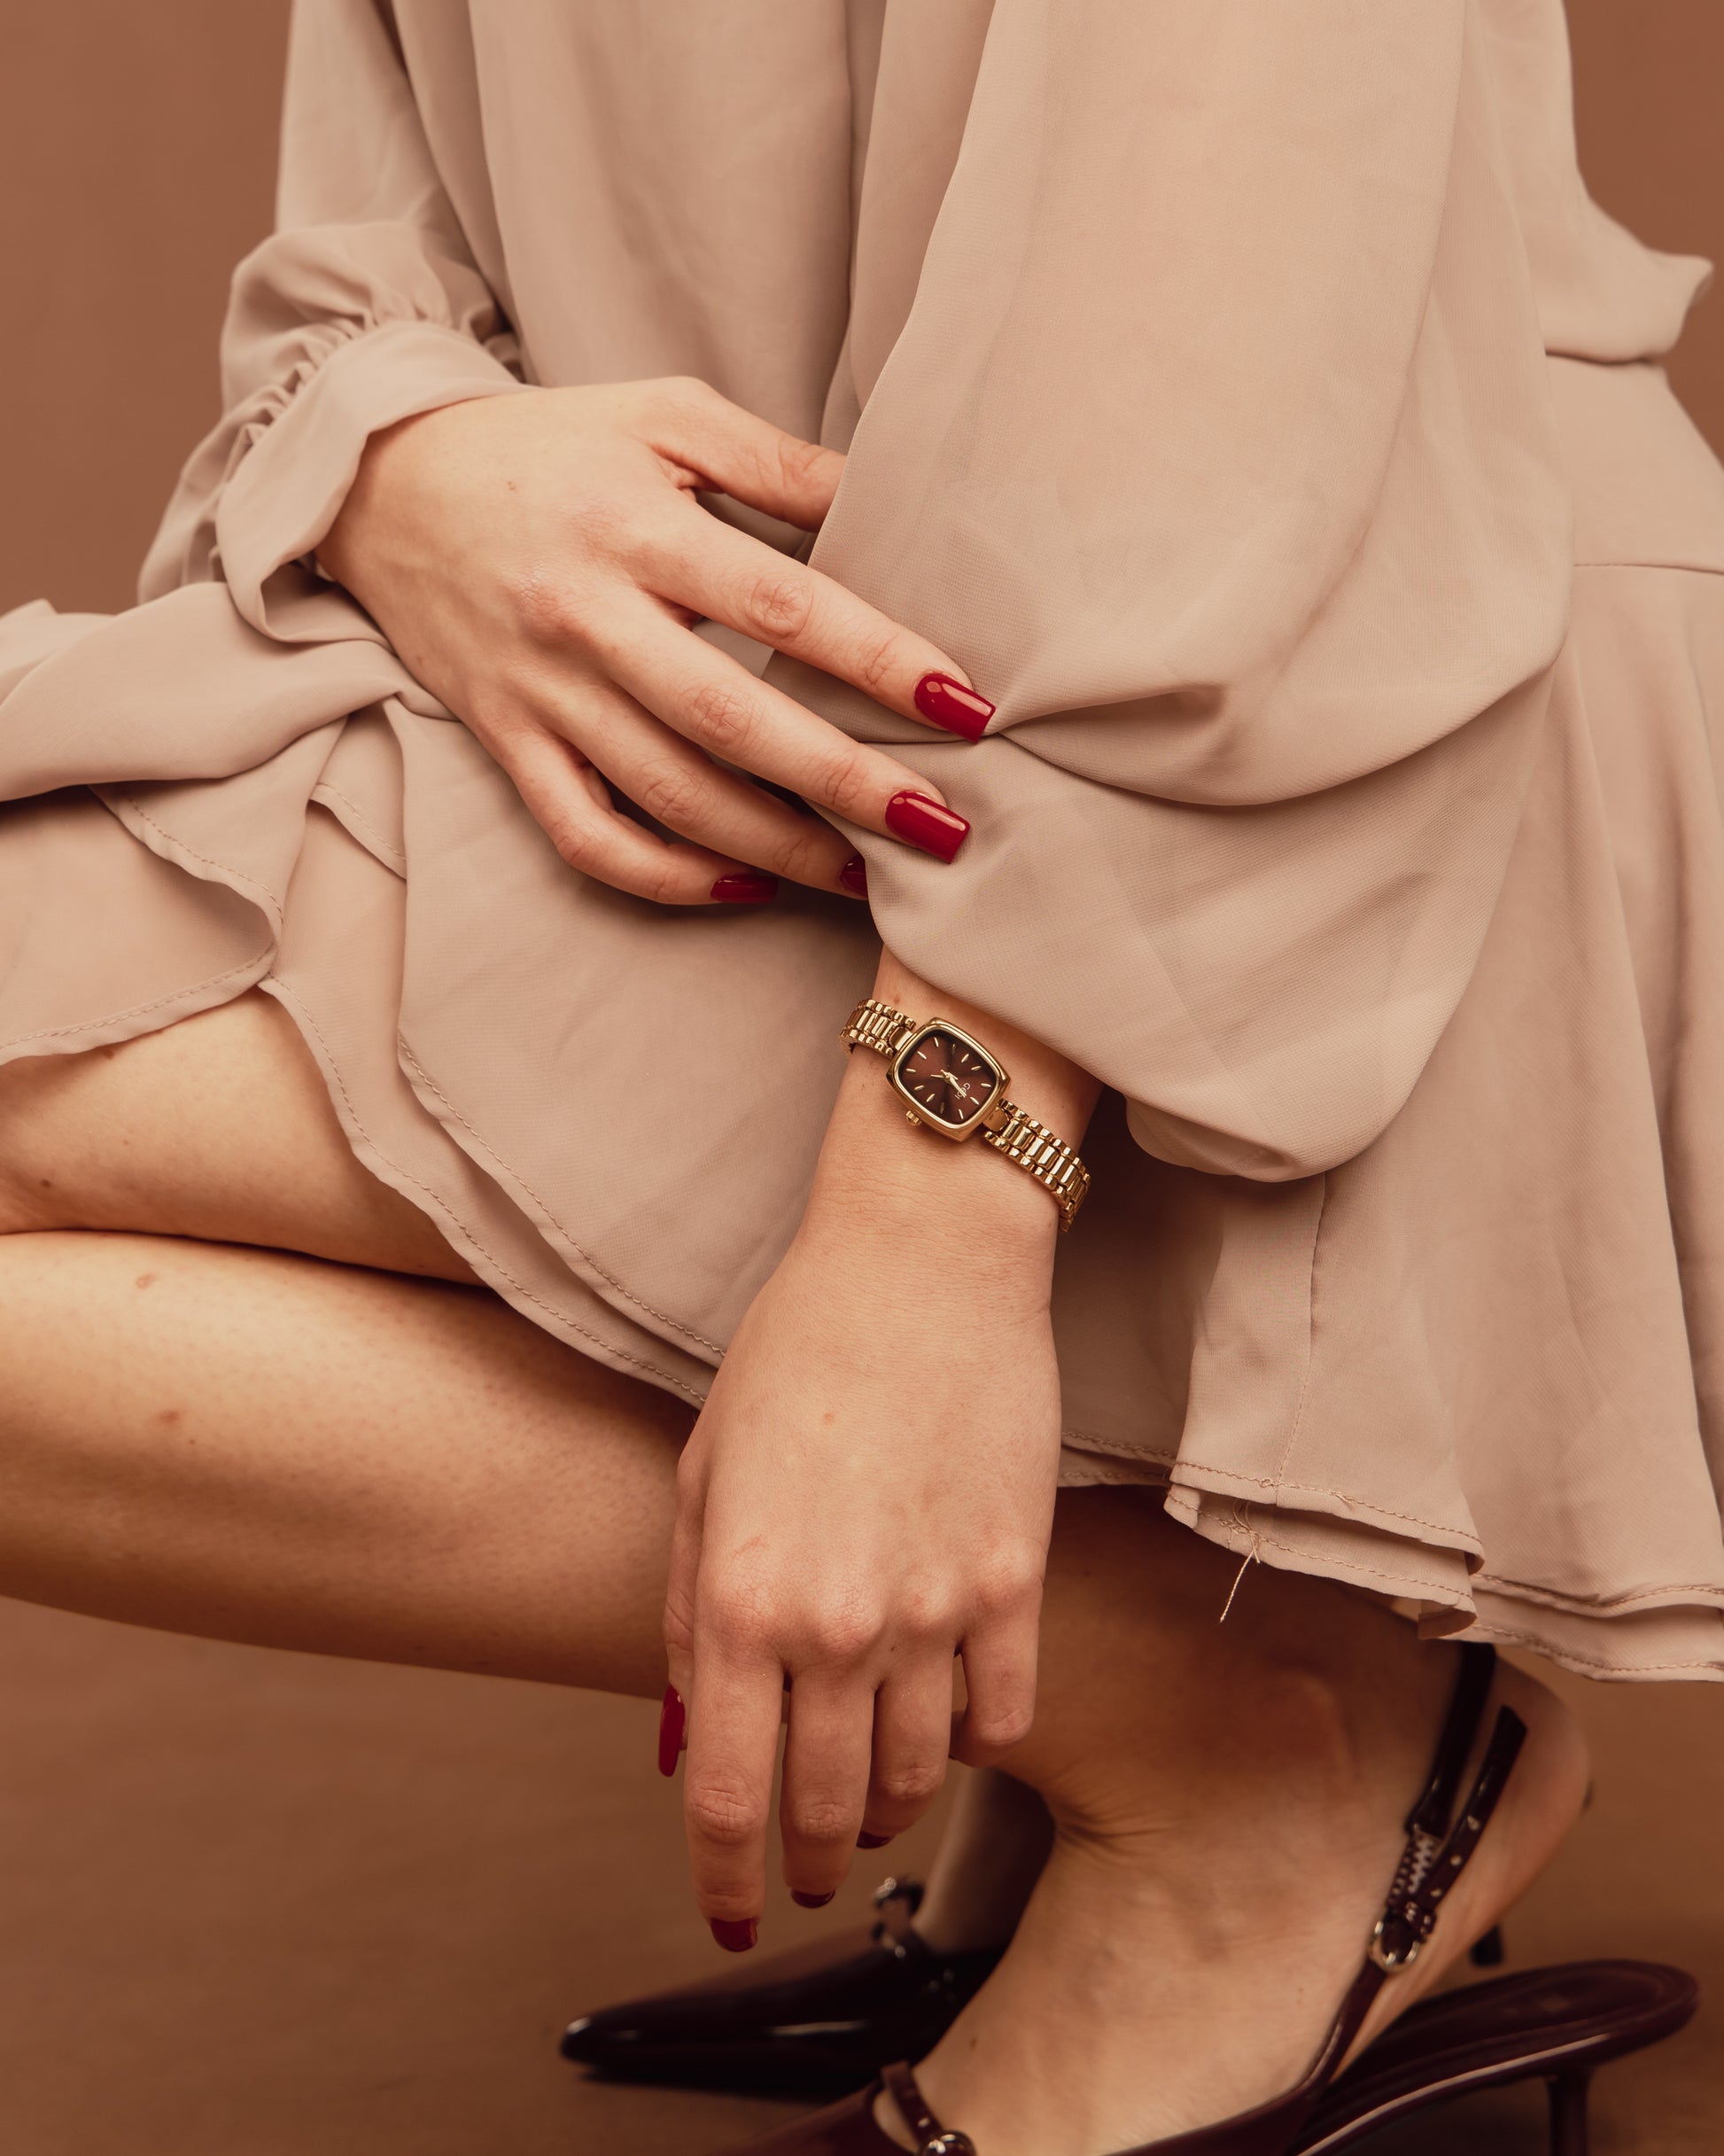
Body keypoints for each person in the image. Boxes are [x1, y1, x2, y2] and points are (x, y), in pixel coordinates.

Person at [1, 3, 1719, 2150]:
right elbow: (382, 227)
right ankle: (1188, 1685)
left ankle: (1268, 1749)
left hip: (1314, 783)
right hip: (762, 738)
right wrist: (397, 452)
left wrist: (931, 1218)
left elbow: (1218, 345)